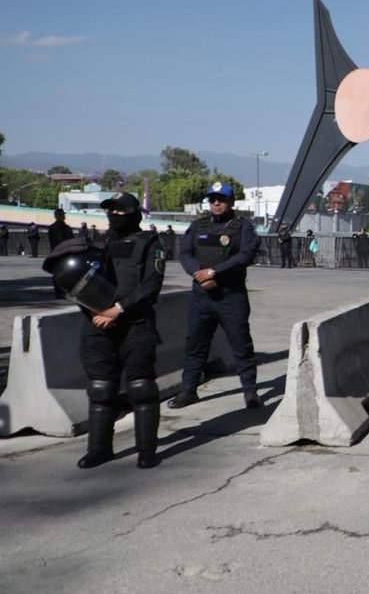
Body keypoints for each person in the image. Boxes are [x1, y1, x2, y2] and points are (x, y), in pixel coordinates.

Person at [43, 193, 165, 468]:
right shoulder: (96, 243)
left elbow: (151, 285)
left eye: (121, 209)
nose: (115, 214)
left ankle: (147, 451)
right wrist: (97, 312)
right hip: (97, 324)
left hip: (135, 323)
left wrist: (118, 309)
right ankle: (99, 449)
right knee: (100, 388)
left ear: (135, 213)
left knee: (141, 387)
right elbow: (76, 283)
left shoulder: (150, 242)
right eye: (111, 209)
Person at [169, 181, 262, 410]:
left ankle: (250, 392)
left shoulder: (242, 227)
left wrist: (214, 273)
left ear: (231, 202)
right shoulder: (198, 225)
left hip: (231, 296)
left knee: (241, 346)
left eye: (221, 200)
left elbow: (245, 255)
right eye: (212, 200)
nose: (216, 203)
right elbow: (184, 252)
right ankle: (188, 391)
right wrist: (198, 274)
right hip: (202, 297)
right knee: (195, 345)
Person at [48, 209, 73, 298]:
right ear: (57, 216)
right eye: (61, 214)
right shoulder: (61, 228)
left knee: (60, 273)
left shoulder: (54, 227)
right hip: (61, 252)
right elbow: (62, 240)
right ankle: (60, 291)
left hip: (58, 252)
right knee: (61, 273)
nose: (63, 216)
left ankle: (60, 291)